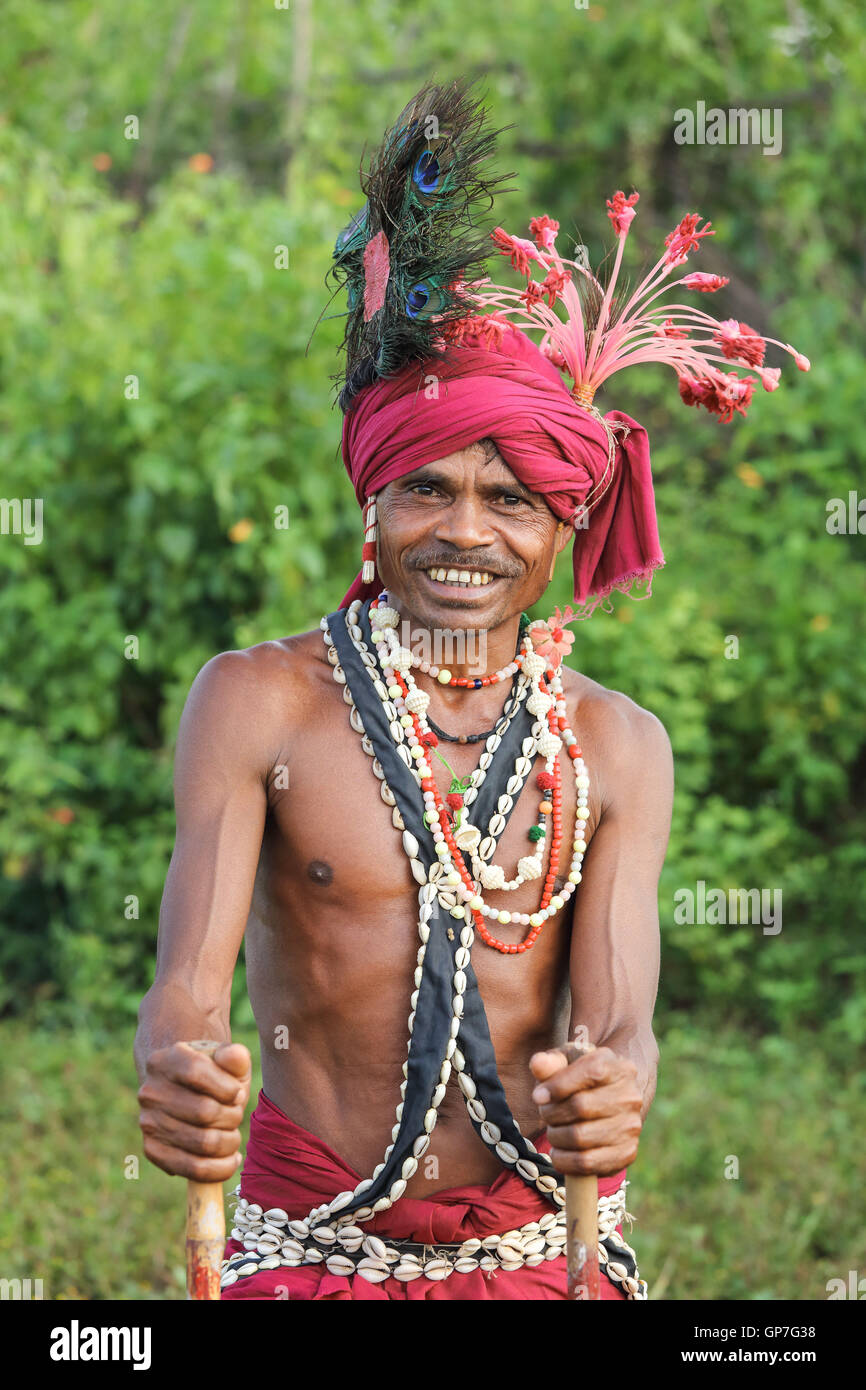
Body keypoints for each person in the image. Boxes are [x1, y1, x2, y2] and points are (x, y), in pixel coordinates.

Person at [134, 79, 806, 1301]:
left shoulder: (618, 744)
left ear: (562, 522)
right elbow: (187, 979)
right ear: (371, 501)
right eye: (425, 489)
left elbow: (617, 1022)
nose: (464, 533)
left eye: (509, 501)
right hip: (310, 1246)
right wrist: (181, 1058)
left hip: (535, 1249)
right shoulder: (257, 702)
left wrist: (616, 1084)